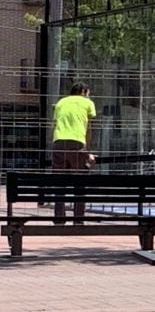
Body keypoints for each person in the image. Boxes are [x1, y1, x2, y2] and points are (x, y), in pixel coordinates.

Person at [52, 82, 97, 224]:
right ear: (84, 91)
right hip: (76, 142)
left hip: (58, 143)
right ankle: (78, 219)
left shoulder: (60, 103)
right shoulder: (87, 102)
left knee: (59, 183)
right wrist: (87, 150)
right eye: (88, 93)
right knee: (79, 183)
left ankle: (59, 218)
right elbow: (89, 128)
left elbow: (56, 124)